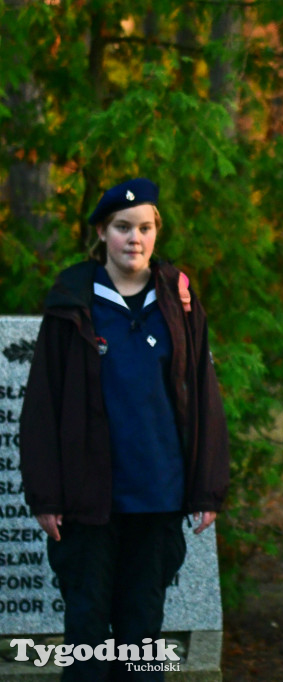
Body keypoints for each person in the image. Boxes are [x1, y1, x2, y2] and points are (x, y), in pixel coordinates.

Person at [19, 178, 230, 680]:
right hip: (88, 504)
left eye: (145, 227)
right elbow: (42, 405)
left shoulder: (177, 302)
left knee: (142, 637)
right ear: (101, 233)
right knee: (87, 633)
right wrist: (46, 497)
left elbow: (202, 394)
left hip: (156, 498)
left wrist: (206, 487)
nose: (134, 238)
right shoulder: (73, 303)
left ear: (156, 233)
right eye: (121, 227)